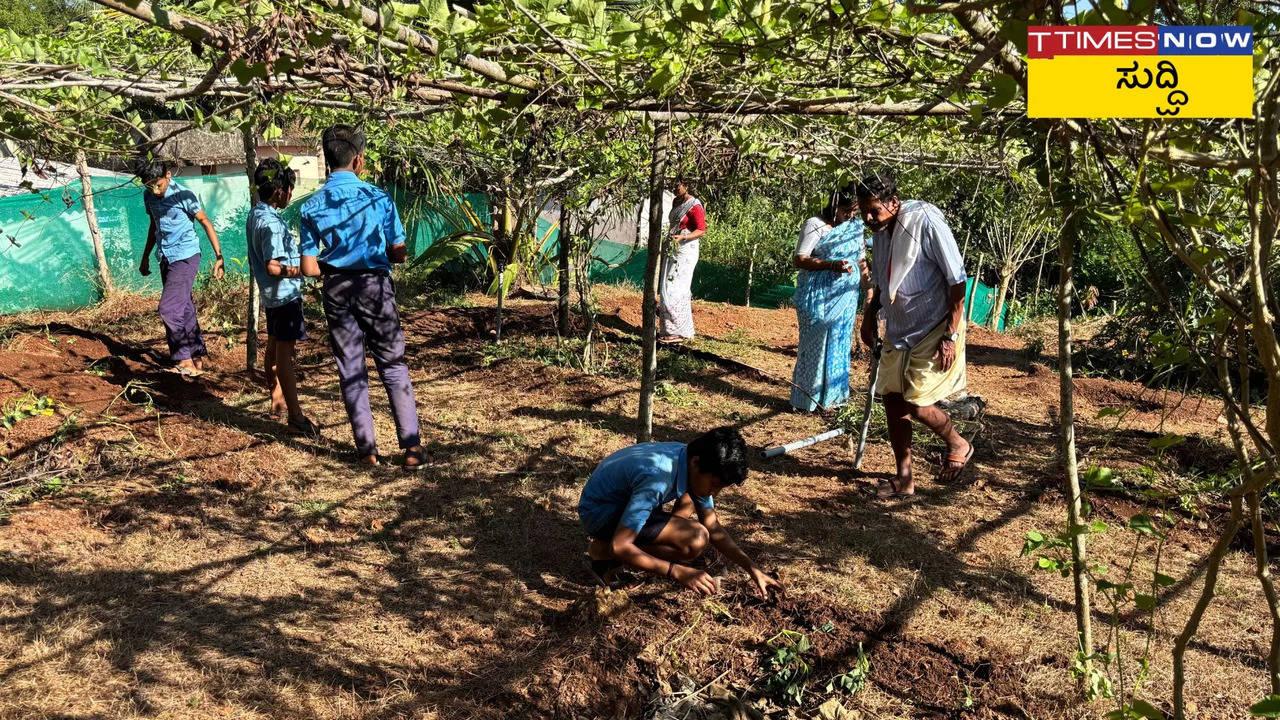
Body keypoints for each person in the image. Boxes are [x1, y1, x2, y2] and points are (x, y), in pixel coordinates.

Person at [300, 125, 425, 469]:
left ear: (328, 160)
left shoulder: (311, 207)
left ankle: (367, 451)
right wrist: (386, 253)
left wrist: (335, 264)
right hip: (375, 288)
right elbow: (398, 252)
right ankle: (412, 449)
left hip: (336, 289)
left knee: (351, 369)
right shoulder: (378, 198)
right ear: (358, 160)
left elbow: (310, 268)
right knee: (392, 365)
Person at [855, 171, 972, 498]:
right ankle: (904, 479)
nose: (868, 218)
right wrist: (869, 316)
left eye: (874, 210)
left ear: (894, 203)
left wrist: (950, 335)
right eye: (864, 211)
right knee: (892, 398)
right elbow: (882, 282)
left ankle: (957, 441)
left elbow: (957, 280)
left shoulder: (926, 221)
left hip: (935, 325)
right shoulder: (879, 231)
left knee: (917, 402)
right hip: (899, 326)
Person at [578, 426, 784, 599]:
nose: (715, 492)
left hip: (620, 503)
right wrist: (675, 571)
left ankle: (619, 547)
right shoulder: (659, 476)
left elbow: (713, 527)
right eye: (714, 484)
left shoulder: (689, 460)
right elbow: (621, 545)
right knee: (695, 539)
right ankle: (602, 551)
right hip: (600, 513)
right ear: (696, 463)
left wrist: (753, 569)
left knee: (690, 503)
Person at [246, 158, 317, 434]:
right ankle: (296, 416)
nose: (290, 194)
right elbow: (273, 266)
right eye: (289, 189)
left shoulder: (256, 214)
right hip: (284, 297)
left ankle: (277, 400)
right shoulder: (272, 224)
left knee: (274, 349)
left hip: (271, 297)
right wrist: (304, 270)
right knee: (285, 356)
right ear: (279, 191)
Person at [136, 160, 225, 377]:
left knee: (168, 309)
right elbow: (153, 225)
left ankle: (184, 360)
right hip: (165, 256)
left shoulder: (184, 195)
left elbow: (205, 222)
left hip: (186, 256)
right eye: (149, 186)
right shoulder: (149, 196)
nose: (154, 190)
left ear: (168, 175)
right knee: (184, 307)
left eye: (158, 185)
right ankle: (197, 359)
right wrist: (146, 256)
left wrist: (219, 257)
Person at [791, 191, 865, 412]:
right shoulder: (815, 224)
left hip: (846, 295)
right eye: (846, 209)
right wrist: (830, 265)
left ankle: (833, 400)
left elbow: (861, 260)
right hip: (818, 297)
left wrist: (870, 290)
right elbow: (800, 258)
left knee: (839, 342)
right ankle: (807, 400)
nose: (850, 215)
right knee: (816, 344)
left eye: (854, 210)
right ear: (834, 205)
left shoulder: (855, 228)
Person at [658, 180, 706, 344]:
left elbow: (701, 230)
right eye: (672, 186)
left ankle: (678, 331)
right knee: (666, 286)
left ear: (687, 186)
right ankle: (669, 330)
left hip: (686, 248)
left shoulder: (694, 204)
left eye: (677, 186)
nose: (674, 189)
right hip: (672, 247)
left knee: (675, 288)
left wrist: (684, 236)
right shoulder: (676, 201)